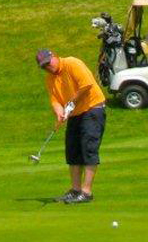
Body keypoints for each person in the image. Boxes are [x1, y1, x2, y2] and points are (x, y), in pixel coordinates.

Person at [36, 48, 106, 204]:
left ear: (54, 56)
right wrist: (60, 113)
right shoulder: (50, 79)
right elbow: (55, 100)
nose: (48, 67)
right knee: (72, 151)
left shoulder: (72, 63)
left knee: (89, 148)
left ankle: (86, 192)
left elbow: (86, 85)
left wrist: (72, 102)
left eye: (48, 63)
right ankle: (75, 190)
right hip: (74, 114)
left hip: (92, 109)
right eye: (44, 66)